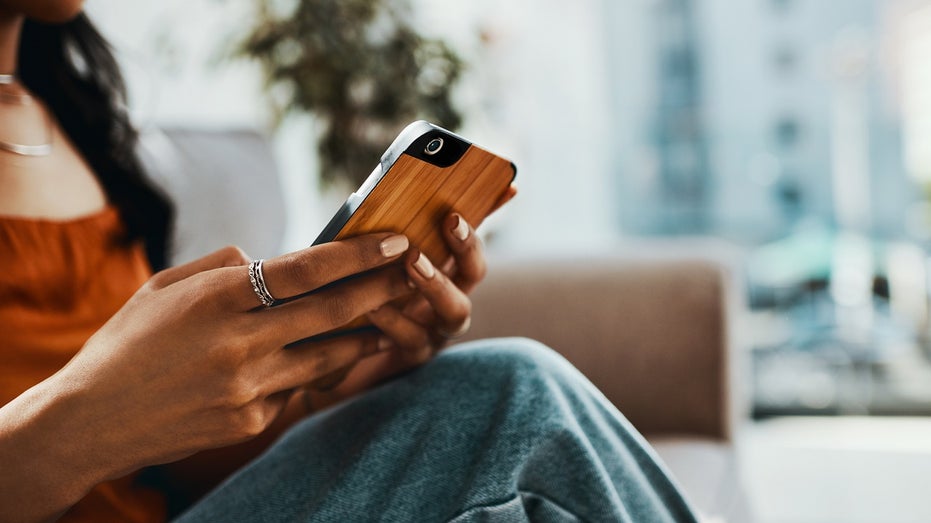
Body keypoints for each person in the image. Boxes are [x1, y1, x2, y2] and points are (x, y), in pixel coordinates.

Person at [0, 2, 699, 522]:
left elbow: (156, 467)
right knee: (512, 396)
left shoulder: (65, 114)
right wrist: (79, 421)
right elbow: (94, 432)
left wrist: (329, 381)